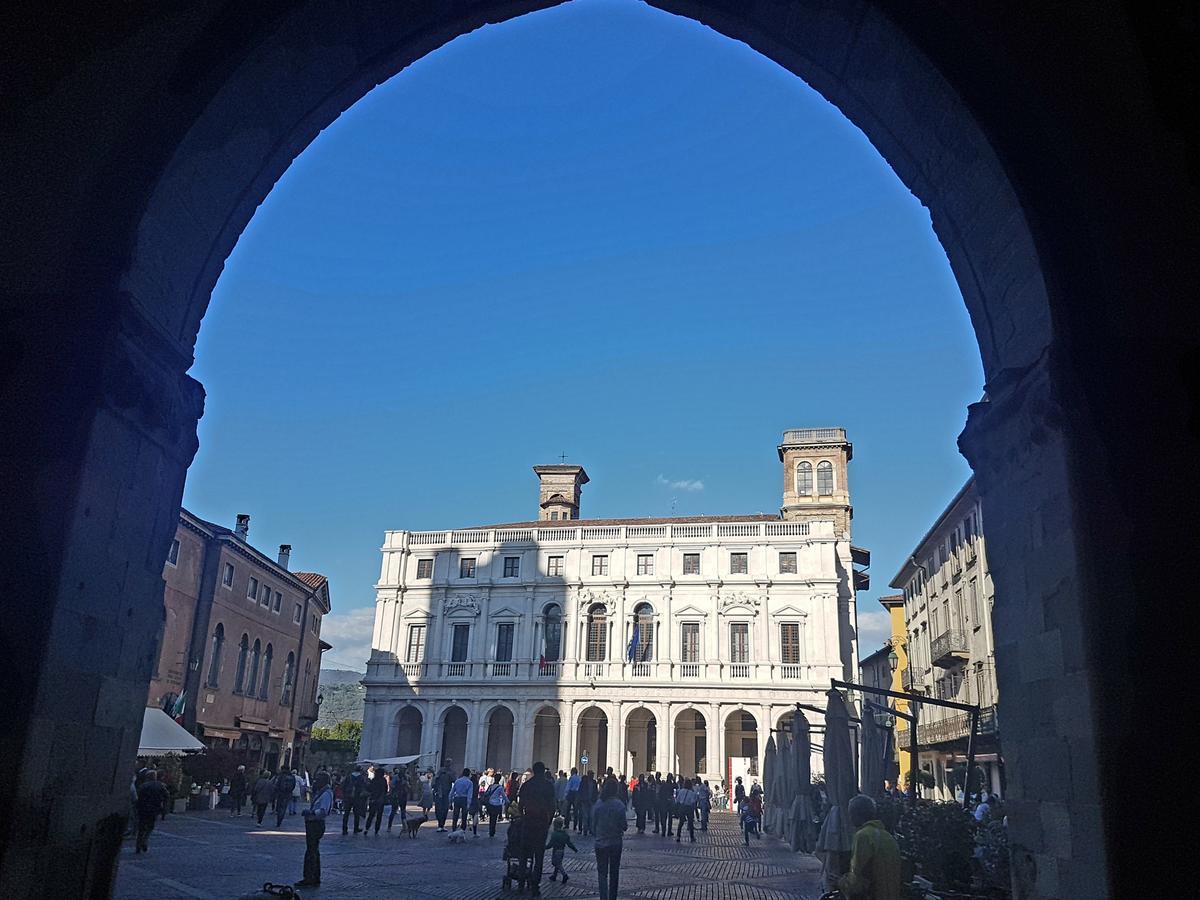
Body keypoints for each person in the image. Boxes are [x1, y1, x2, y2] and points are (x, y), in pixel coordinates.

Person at [837, 794, 902, 900]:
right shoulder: (887, 836)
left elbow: (857, 877)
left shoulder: (863, 836)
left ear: (855, 814)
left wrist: (841, 882)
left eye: (850, 814)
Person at [517, 761, 557, 896]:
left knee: (523, 854)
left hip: (528, 823)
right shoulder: (548, 786)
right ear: (543, 771)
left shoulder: (527, 785)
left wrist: (523, 817)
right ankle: (535, 885)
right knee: (539, 856)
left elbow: (520, 804)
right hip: (541, 824)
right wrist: (548, 821)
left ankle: (521, 883)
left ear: (534, 771)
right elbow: (552, 805)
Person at [293, 772, 334, 887]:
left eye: (318, 779)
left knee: (311, 851)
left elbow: (323, 811)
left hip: (316, 823)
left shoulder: (326, 793)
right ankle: (314, 876)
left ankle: (309, 877)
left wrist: (311, 812)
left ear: (324, 781)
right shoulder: (323, 792)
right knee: (314, 851)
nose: (316, 781)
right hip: (313, 823)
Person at [592, 777, 628, 900]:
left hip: (600, 843)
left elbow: (593, 824)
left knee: (602, 873)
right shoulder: (619, 805)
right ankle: (613, 897)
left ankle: (603, 897)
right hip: (615, 843)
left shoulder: (598, 804)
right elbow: (624, 826)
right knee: (614, 872)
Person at [134, 769, 170, 853]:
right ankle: (145, 840)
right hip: (154, 809)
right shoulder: (160, 785)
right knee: (150, 826)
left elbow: (138, 797)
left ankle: (138, 845)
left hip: (142, 809)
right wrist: (163, 805)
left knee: (141, 827)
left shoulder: (143, 786)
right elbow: (167, 795)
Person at [545, 815, 578, 883]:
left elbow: (551, 844)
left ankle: (564, 874)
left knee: (556, 863)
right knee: (558, 863)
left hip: (556, 850)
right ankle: (554, 875)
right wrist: (574, 849)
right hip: (562, 850)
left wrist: (545, 847)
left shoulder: (554, 834)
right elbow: (569, 843)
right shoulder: (564, 834)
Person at [364, 765, 388, 834]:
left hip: (373, 799)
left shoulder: (374, 780)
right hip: (380, 800)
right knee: (379, 816)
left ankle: (367, 828)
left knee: (371, 815)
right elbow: (385, 790)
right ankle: (376, 830)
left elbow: (369, 789)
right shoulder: (383, 780)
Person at [342, 766, 366, 834]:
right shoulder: (361, 777)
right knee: (356, 814)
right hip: (357, 797)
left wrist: (345, 794)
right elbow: (363, 787)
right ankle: (355, 828)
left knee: (346, 813)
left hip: (348, 796)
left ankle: (344, 829)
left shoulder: (349, 776)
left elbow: (343, 785)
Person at [449, 767, 473, 831]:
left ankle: (453, 829)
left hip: (457, 798)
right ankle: (462, 830)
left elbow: (452, 791)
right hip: (464, 799)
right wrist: (469, 803)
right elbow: (469, 794)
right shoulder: (470, 782)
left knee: (455, 815)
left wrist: (450, 801)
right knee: (464, 816)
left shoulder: (457, 781)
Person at [674, 777, 698, 843]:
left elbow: (677, 800)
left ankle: (678, 836)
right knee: (690, 823)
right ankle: (692, 837)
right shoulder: (691, 793)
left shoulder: (681, 791)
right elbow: (693, 802)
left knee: (681, 823)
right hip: (689, 808)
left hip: (682, 807)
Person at [432, 765, 452, 831]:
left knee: (444, 810)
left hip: (445, 795)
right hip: (439, 795)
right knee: (439, 810)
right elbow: (433, 784)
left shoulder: (449, 774)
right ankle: (440, 824)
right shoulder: (437, 777)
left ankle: (442, 825)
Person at [578, 770, 597, 836]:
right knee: (585, 816)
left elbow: (595, 791)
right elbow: (580, 791)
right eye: (592, 774)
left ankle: (591, 829)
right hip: (585, 801)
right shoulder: (583, 782)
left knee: (591, 816)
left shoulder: (594, 782)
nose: (592, 776)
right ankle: (585, 830)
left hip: (592, 801)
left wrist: (595, 799)